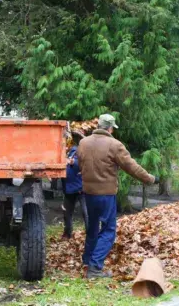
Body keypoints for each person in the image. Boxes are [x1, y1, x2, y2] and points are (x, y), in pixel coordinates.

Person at [77, 114, 158, 279]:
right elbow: (131, 166)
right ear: (110, 128)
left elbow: (81, 163)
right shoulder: (114, 145)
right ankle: (94, 267)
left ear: (98, 125)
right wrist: (149, 178)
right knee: (108, 231)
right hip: (105, 194)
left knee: (92, 228)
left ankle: (87, 260)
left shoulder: (83, 143)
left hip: (88, 193)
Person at [62, 130, 89, 240]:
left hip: (80, 189)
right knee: (66, 213)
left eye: (65, 142)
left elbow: (83, 164)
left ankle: (90, 233)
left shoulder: (77, 151)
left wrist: (74, 163)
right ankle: (67, 233)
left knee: (86, 212)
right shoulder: (61, 154)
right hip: (68, 190)